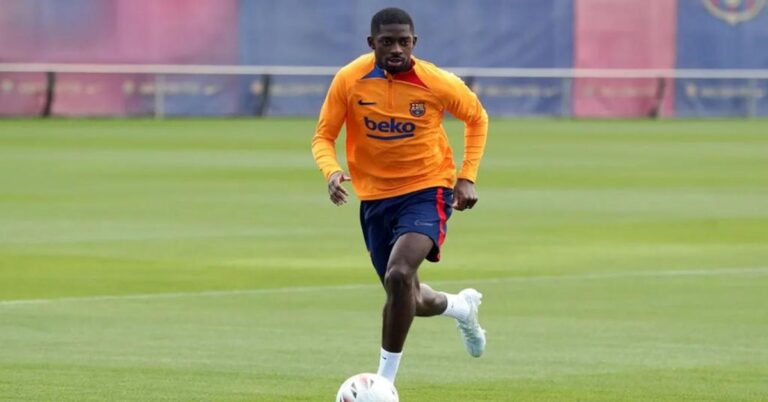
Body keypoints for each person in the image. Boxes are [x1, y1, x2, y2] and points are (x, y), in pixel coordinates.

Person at [311, 7, 488, 384]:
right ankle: (460, 307)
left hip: (427, 189)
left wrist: (466, 176)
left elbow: (477, 117)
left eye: (403, 42)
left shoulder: (436, 82)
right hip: (375, 198)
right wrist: (331, 171)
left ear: (414, 43)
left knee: (400, 272)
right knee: (408, 295)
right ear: (371, 43)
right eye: (387, 42)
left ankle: (384, 382)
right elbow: (323, 136)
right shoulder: (350, 79)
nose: (396, 49)